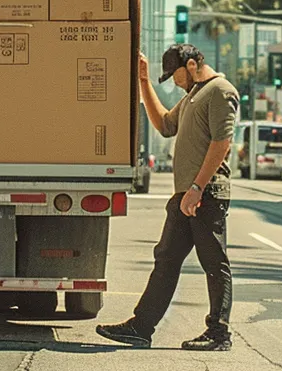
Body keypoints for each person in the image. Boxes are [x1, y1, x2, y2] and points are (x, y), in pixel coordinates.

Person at [96, 44, 236, 351]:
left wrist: (198, 188)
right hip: (186, 196)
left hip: (206, 194)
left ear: (190, 64)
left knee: (213, 262)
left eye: (174, 74)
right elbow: (163, 125)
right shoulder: (192, 97)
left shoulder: (220, 91)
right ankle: (141, 328)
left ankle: (219, 333)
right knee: (166, 261)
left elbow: (221, 143)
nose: (174, 81)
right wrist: (143, 82)